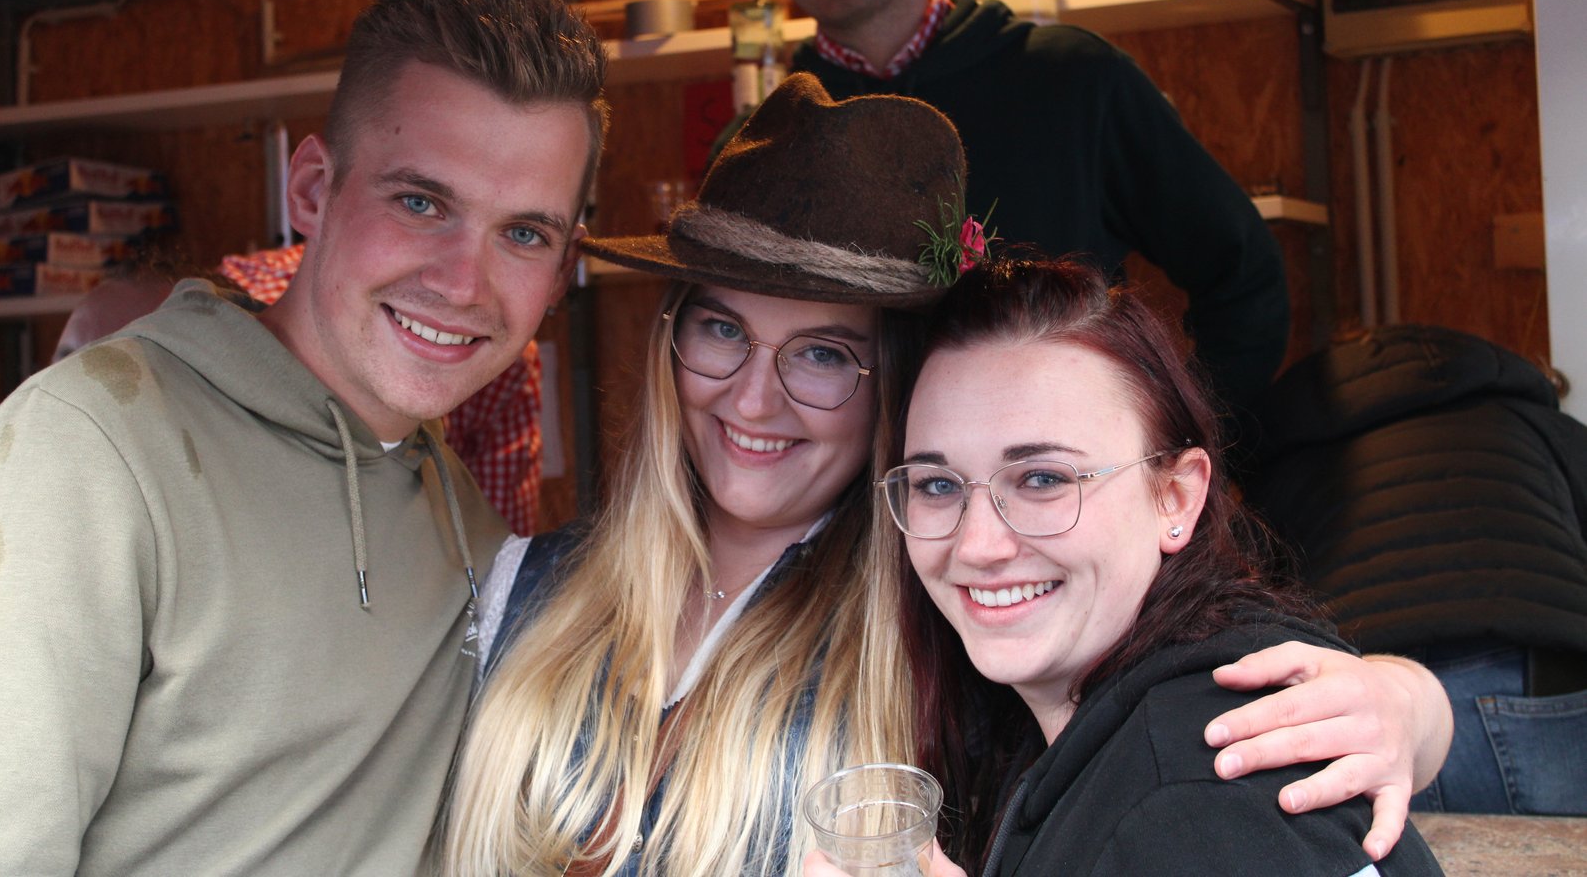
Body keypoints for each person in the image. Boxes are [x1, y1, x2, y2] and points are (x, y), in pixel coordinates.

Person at [442, 73, 1448, 877]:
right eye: (721, 330)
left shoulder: (944, 626)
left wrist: (1405, 701)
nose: (752, 398)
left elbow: (1193, 698)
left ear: (892, 387)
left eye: (823, 354)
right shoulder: (528, 584)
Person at [0, 0, 606, 875]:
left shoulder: (452, 502)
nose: (463, 284)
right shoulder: (86, 451)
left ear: (563, 265)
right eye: (420, 202)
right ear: (310, 189)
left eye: (523, 234)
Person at [810, 258, 1443, 876]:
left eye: (1043, 478)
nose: (978, 545)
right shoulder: (1070, 720)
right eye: (937, 484)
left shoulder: (1201, 795)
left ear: (1176, 496)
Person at [706, 0, 1290, 420]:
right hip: (854, 482)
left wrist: (1177, 439)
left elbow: (1243, 276)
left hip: (1059, 473)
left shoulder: (1076, 80)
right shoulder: (761, 143)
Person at [1243, 323, 1587, 816]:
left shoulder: (1291, 456)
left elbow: (1258, 588)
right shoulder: (1529, 421)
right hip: (1537, 670)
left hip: (1370, 696)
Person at [221, 243, 547, 535]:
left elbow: (501, 553)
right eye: (418, 205)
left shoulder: (502, 360)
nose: (461, 291)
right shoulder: (240, 318)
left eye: (522, 234)